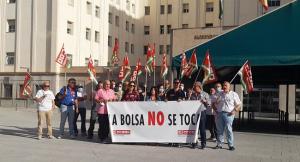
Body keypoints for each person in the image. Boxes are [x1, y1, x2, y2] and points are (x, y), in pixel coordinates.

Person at [213, 81, 241, 151]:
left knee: (228, 130)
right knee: (219, 130)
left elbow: (239, 104)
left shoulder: (234, 94)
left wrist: (234, 110)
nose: (224, 87)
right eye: (223, 85)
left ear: (229, 87)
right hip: (220, 113)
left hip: (228, 114)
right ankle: (219, 144)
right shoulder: (219, 94)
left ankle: (230, 145)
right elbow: (213, 103)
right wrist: (216, 110)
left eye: (226, 85)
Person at [190, 82, 210, 149]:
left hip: (202, 112)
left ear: (199, 87)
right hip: (194, 113)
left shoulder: (205, 94)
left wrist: (205, 101)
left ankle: (203, 143)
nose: (194, 88)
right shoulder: (192, 94)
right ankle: (194, 142)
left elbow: (209, 104)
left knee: (202, 128)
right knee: (195, 128)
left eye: (195, 86)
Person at [165, 79, 185, 147]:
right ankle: (171, 141)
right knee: (170, 127)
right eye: (175, 83)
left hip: (178, 113)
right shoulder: (169, 91)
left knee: (178, 128)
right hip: (170, 113)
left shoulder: (181, 92)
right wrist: (166, 100)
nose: (176, 84)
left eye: (177, 83)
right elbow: (166, 98)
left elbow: (185, 100)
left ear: (179, 84)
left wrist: (181, 100)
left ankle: (177, 142)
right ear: (173, 84)